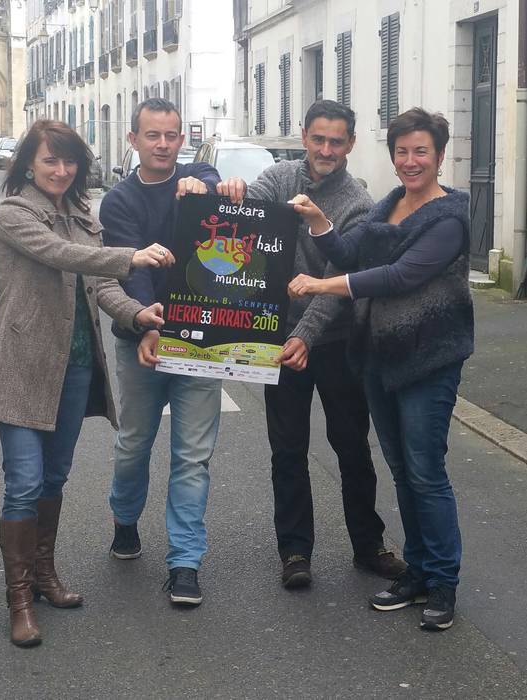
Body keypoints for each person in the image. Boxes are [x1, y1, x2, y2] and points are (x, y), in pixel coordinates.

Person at [0, 120, 174, 647]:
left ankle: (44, 575)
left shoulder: (83, 215)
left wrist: (138, 314)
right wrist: (130, 255)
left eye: (70, 162)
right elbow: (60, 255)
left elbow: (102, 284)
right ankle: (19, 599)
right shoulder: (14, 214)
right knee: (23, 481)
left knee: (54, 478)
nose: (62, 171)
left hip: (76, 367)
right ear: (28, 164)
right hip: (23, 365)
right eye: (51, 160)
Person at [288, 107, 473, 631]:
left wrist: (321, 285)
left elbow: (398, 276)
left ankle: (443, 582)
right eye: (402, 151)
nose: (411, 161)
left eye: (421, 152)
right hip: (379, 359)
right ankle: (418, 571)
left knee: (426, 472)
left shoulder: (448, 218)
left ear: (440, 156)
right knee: (402, 470)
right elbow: (349, 251)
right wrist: (318, 220)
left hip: (427, 362)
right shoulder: (389, 204)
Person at [217, 100, 405, 588]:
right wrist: (225, 189)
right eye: (318, 139)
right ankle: (295, 551)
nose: (326, 149)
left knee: (351, 447)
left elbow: (339, 277)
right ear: (303, 136)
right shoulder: (279, 178)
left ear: (351, 144)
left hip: (336, 340)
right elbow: (245, 208)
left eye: (336, 141)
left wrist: (306, 334)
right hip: (277, 340)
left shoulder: (359, 203)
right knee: (287, 449)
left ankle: (369, 545)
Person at [99, 98, 222, 607]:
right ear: (133, 140)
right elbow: (133, 270)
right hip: (141, 340)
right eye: (152, 135)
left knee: (193, 457)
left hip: (202, 342)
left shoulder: (197, 178)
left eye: (171, 135)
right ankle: (125, 519)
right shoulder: (118, 201)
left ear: (181, 140)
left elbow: (214, 179)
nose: (163, 144)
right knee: (134, 444)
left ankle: (185, 563)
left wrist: (211, 186)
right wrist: (147, 322)